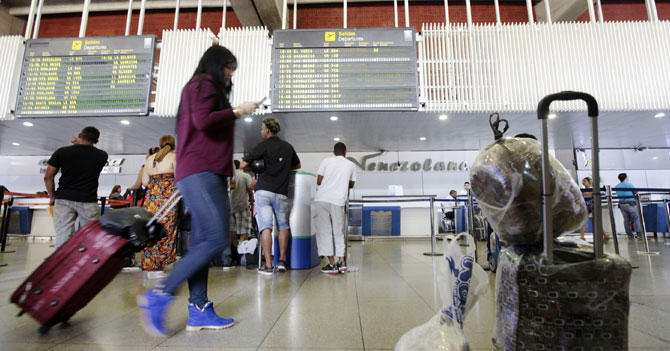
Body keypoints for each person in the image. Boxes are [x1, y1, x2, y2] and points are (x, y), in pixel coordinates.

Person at [138, 45, 260, 335]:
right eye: (229, 69)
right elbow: (203, 121)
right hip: (200, 172)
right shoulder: (202, 83)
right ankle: (159, 294)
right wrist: (237, 110)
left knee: (204, 243)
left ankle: (199, 309)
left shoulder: (201, 87)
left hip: (207, 172)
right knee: (217, 239)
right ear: (217, 66)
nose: (231, 76)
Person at [240, 117, 301, 275]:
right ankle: (281, 261)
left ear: (267, 130)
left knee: (265, 227)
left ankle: (268, 265)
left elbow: (244, 164)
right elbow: (297, 165)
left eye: (262, 129)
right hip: (280, 192)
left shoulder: (262, 146)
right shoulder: (288, 147)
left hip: (263, 192)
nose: (261, 131)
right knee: (283, 226)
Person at [44, 127, 108, 249]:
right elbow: (84, 156)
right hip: (88, 200)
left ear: (80, 135)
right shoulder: (102, 155)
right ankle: (87, 265)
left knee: (63, 235)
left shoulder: (62, 152)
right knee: (90, 237)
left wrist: (52, 196)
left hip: (64, 199)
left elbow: (48, 177)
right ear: (97, 141)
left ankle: (63, 265)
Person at [314, 142, 356, 274]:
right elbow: (351, 184)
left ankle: (332, 264)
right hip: (338, 201)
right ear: (345, 152)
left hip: (321, 199)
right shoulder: (351, 165)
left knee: (324, 232)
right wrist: (342, 181)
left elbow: (319, 181)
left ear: (333, 152)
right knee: (338, 231)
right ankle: (341, 262)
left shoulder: (326, 161)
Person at [141, 135, 178, 280]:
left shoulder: (150, 159)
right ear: (173, 145)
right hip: (168, 199)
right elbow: (181, 177)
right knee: (166, 230)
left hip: (151, 198)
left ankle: (151, 265)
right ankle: (161, 265)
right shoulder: (174, 157)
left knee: (151, 229)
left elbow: (145, 181)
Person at [225, 159, 255, 270]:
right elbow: (250, 191)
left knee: (233, 231)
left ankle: (236, 253)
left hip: (231, 207)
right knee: (244, 231)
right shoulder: (245, 176)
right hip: (243, 206)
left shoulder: (229, 176)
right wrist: (252, 204)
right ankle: (242, 256)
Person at [578, 177, 610, 242]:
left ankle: (605, 235)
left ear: (588, 182)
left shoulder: (591, 189)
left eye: (584, 181)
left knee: (595, 223)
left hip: (591, 207)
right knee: (584, 222)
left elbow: (591, 197)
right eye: (582, 181)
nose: (583, 182)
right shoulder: (583, 190)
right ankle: (582, 237)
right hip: (586, 207)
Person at [614, 173, 643, 239]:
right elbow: (636, 192)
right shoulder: (629, 184)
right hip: (630, 204)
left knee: (626, 220)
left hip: (622, 205)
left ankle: (630, 235)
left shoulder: (617, 186)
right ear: (626, 178)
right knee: (636, 219)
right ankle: (639, 235)